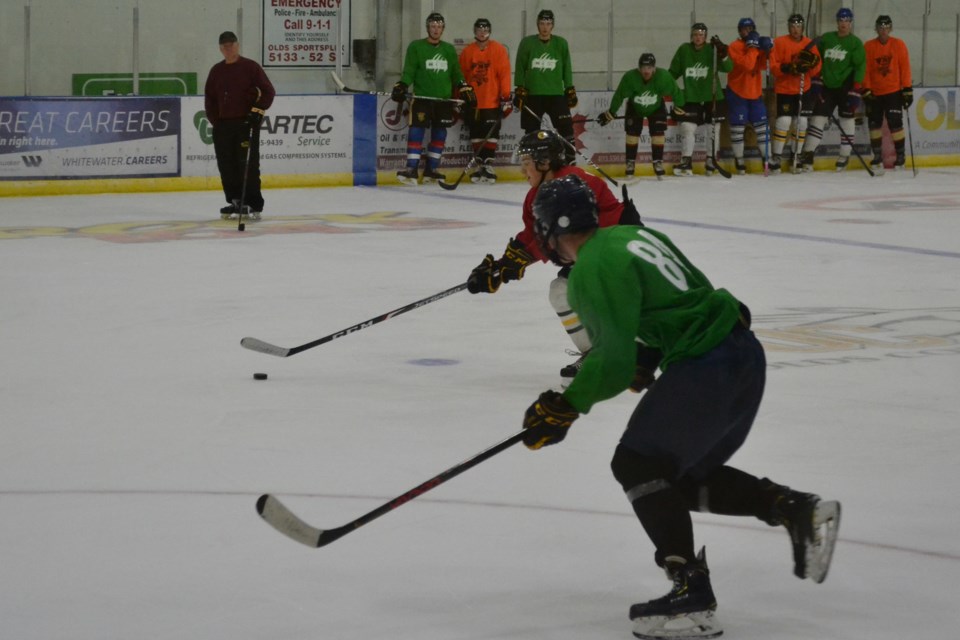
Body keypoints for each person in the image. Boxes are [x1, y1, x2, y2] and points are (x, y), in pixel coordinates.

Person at [521, 173, 841, 640]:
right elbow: (689, 300)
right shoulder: (636, 235)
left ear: (551, 230)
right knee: (673, 480)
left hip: (706, 365)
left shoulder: (591, 268)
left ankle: (690, 591)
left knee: (635, 463)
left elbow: (609, 362)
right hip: (743, 356)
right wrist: (649, 356)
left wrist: (563, 407)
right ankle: (793, 508)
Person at [466, 129, 640, 387]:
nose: (523, 171)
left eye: (527, 164)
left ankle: (624, 349)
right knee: (561, 291)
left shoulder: (573, 183)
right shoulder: (535, 195)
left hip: (620, 249)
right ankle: (597, 352)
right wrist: (501, 266)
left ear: (545, 163)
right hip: (592, 254)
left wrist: (516, 263)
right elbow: (534, 234)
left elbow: (559, 235)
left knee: (581, 292)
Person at [393, 12, 476, 185]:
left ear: (443, 29)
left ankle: (432, 169)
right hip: (422, 99)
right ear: (427, 28)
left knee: (439, 134)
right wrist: (402, 84)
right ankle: (411, 170)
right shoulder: (416, 47)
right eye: (433, 26)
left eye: (439, 27)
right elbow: (409, 71)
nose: (436, 30)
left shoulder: (448, 49)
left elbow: (456, 73)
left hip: (443, 101)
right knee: (416, 132)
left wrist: (463, 86)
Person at [204, 30, 275, 220]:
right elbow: (210, 99)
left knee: (248, 164)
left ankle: (253, 202)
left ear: (237, 45)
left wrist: (256, 112)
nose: (228, 49)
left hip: (246, 124)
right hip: (223, 127)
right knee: (226, 164)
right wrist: (216, 121)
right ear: (220, 49)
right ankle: (235, 200)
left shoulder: (251, 68)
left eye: (231, 45)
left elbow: (268, 91)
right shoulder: (216, 71)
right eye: (225, 46)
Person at [799, 7, 867, 172]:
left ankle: (844, 155)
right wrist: (815, 79)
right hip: (827, 88)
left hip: (846, 88)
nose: (843, 23)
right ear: (837, 22)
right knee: (817, 119)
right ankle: (807, 155)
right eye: (841, 20)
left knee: (846, 120)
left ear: (850, 23)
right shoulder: (827, 38)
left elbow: (860, 66)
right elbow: (813, 54)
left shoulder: (855, 43)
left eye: (846, 20)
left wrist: (856, 88)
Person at [597, 53, 682, 180]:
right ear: (639, 68)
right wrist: (611, 112)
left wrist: (678, 107)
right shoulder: (630, 77)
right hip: (635, 107)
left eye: (649, 68)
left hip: (656, 107)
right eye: (643, 67)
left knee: (658, 134)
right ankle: (630, 162)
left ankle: (658, 162)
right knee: (632, 134)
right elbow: (620, 95)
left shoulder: (663, 77)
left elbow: (676, 91)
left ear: (654, 68)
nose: (646, 71)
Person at [513, 9, 577, 165]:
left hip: (556, 94)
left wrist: (569, 88)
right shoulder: (527, 43)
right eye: (542, 23)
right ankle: (533, 161)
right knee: (531, 130)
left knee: (566, 127)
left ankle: (569, 159)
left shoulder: (561, 43)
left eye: (548, 24)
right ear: (537, 24)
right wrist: (520, 87)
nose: (545, 27)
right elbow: (520, 66)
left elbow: (566, 67)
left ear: (552, 25)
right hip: (533, 94)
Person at [668, 23, 733, 176]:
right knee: (687, 127)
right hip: (691, 97)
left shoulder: (713, 49)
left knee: (713, 129)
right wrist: (662, 86)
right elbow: (673, 73)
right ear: (692, 36)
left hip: (713, 96)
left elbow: (729, 68)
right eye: (696, 34)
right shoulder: (684, 49)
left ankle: (710, 159)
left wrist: (724, 55)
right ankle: (686, 160)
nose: (698, 37)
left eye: (701, 35)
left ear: (705, 37)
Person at [458, 18, 513, 184]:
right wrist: (459, 98)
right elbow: (462, 77)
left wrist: (505, 96)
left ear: (490, 31)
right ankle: (479, 166)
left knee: (491, 134)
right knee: (475, 134)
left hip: (492, 100)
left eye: (485, 29)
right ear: (475, 31)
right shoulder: (467, 52)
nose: (482, 32)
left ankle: (488, 166)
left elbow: (504, 74)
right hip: (473, 102)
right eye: (479, 29)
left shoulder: (499, 50)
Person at [768, 13, 822, 174]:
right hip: (785, 89)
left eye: (798, 26)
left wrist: (810, 66)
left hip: (803, 89)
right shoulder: (779, 42)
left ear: (802, 27)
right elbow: (773, 66)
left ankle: (796, 156)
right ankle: (776, 157)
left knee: (802, 123)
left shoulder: (809, 44)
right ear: (788, 27)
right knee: (784, 121)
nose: (795, 29)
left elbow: (817, 68)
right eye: (792, 26)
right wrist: (788, 68)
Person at [863, 15, 913, 172]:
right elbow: (866, 70)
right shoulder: (869, 46)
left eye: (886, 27)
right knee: (874, 124)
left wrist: (907, 89)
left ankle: (900, 157)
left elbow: (904, 67)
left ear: (890, 28)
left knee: (895, 123)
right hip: (875, 93)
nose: (883, 30)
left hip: (893, 92)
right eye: (880, 27)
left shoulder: (899, 44)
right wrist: (866, 89)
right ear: (876, 29)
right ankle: (877, 156)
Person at [723, 18, 773, 175]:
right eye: (744, 29)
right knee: (738, 128)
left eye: (750, 28)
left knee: (763, 128)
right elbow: (748, 65)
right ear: (739, 31)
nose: (747, 31)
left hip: (755, 93)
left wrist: (767, 50)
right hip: (737, 93)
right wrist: (753, 48)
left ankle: (768, 158)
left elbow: (764, 65)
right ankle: (739, 159)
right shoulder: (734, 47)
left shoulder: (755, 45)